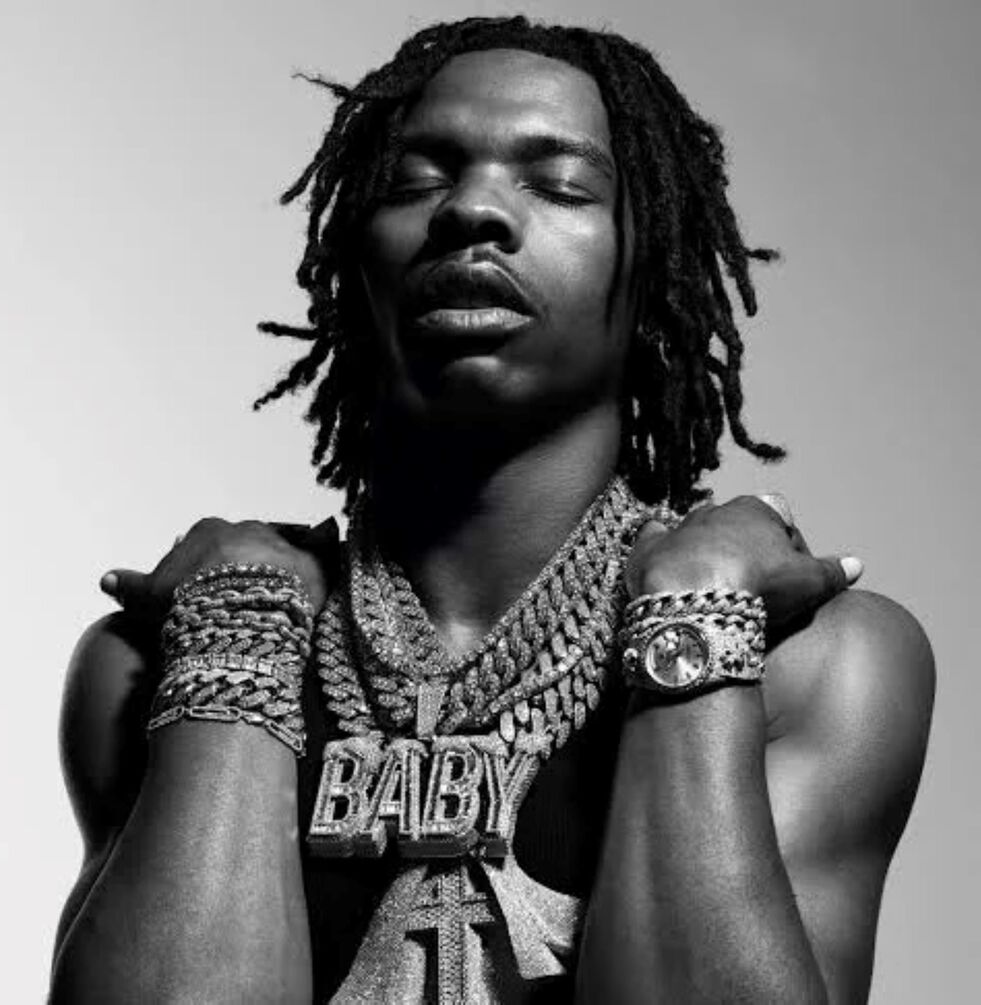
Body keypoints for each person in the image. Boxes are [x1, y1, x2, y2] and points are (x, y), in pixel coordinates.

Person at [49, 16, 935, 1004]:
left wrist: (693, 620)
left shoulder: (816, 663)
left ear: (652, 272)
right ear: (354, 264)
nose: (471, 208)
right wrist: (236, 645)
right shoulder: (152, 662)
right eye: (414, 181)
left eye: (558, 185)